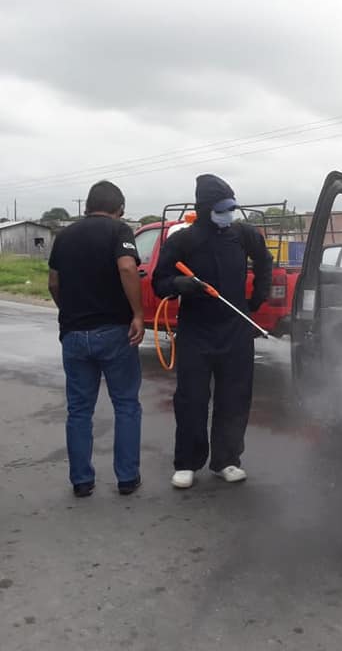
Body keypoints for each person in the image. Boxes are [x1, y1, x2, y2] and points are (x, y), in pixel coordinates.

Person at [152, 174, 272, 489]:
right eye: (222, 209)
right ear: (205, 209)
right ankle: (187, 463)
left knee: (234, 397)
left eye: (231, 207)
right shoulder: (183, 240)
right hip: (196, 331)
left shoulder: (243, 234)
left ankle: (227, 460)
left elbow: (265, 261)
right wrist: (180, 284)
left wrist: (256, 299)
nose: (228, 214)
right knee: (191, 398)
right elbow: (160, 281)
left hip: (235, 330)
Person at [47, 181, 145, 498]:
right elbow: (127, 268)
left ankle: (81, 481)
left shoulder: (64, 236)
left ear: (88, 206)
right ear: (119, 209)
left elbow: (53, 282)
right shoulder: (119, 231)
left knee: (79, 410)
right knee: (126, 404)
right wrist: (138, 314)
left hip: (74, 334)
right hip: (114, 332)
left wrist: (69, 311)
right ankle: (127, 478)